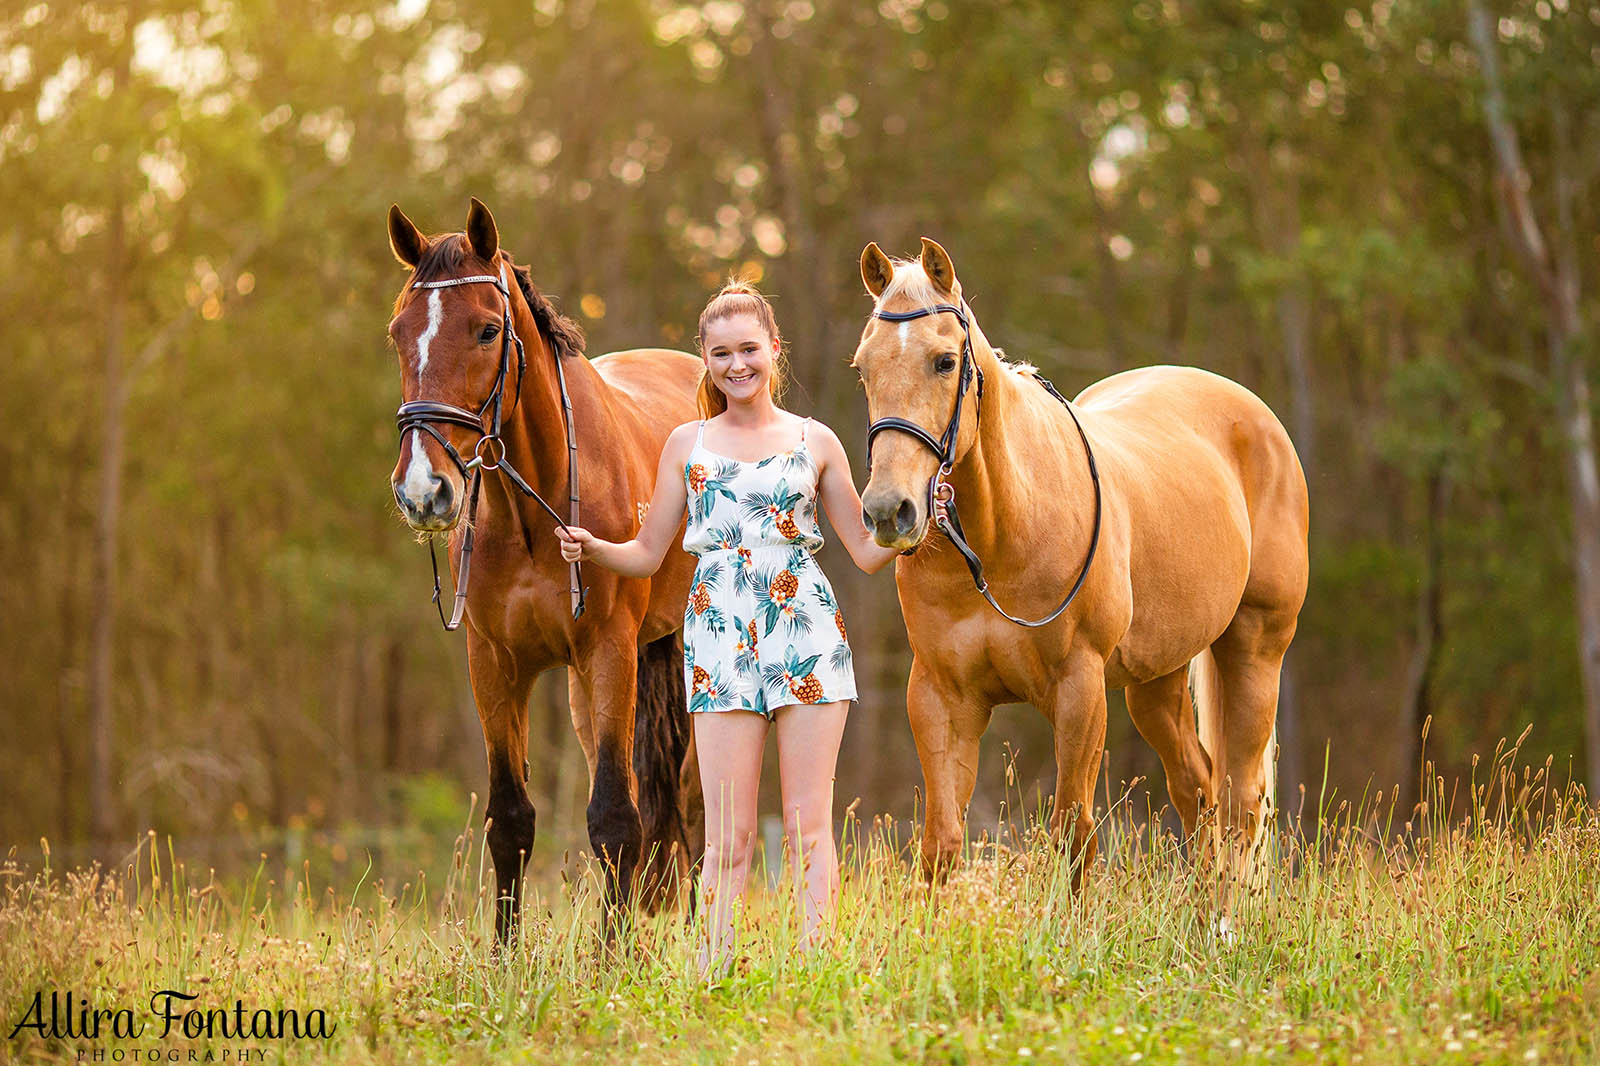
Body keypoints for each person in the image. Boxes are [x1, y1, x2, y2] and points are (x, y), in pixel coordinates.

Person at [556, 281, 898, 969]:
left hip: (804, 631)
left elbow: (864, 552)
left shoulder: (816, 441)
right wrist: (591, 546)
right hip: (718, 639)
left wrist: (920, 523)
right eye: (721, 354)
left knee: (808, 828)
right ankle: (713, 972)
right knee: (729, 838)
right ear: (705, 361)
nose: (737, 364)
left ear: (774, 349)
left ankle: (817, 970)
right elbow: (649, 552)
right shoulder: (687, 443)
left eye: (749, 349)